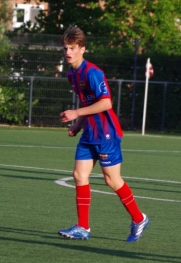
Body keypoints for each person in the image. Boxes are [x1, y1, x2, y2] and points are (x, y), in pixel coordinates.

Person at [58, 26, 150, 242]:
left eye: (72, 48)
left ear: (82, 49)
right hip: (89, 133)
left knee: (112, 180)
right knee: (79, 175)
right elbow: (86, 102)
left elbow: (106, 102)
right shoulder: (72, 74)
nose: (68, 52)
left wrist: (76, 113)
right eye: (65, 48)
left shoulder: (92, 72)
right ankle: (83, 227)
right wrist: (78, 124)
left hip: (106, 134)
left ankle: (139, 218)